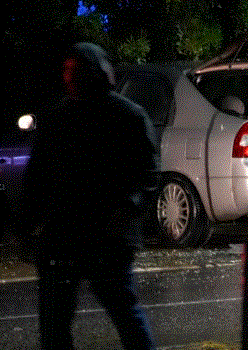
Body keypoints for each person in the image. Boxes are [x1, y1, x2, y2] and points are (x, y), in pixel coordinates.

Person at [21, 42, 158, 349]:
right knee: (64, 324)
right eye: (67, 70)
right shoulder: (60, 117)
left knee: (121, 315)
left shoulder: (124, 116)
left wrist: (126, 211)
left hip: (101, 237)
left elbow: (147, 175)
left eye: (74, 70)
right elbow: (39, 176)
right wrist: (29, 223)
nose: (68, 77)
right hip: (71, 235)